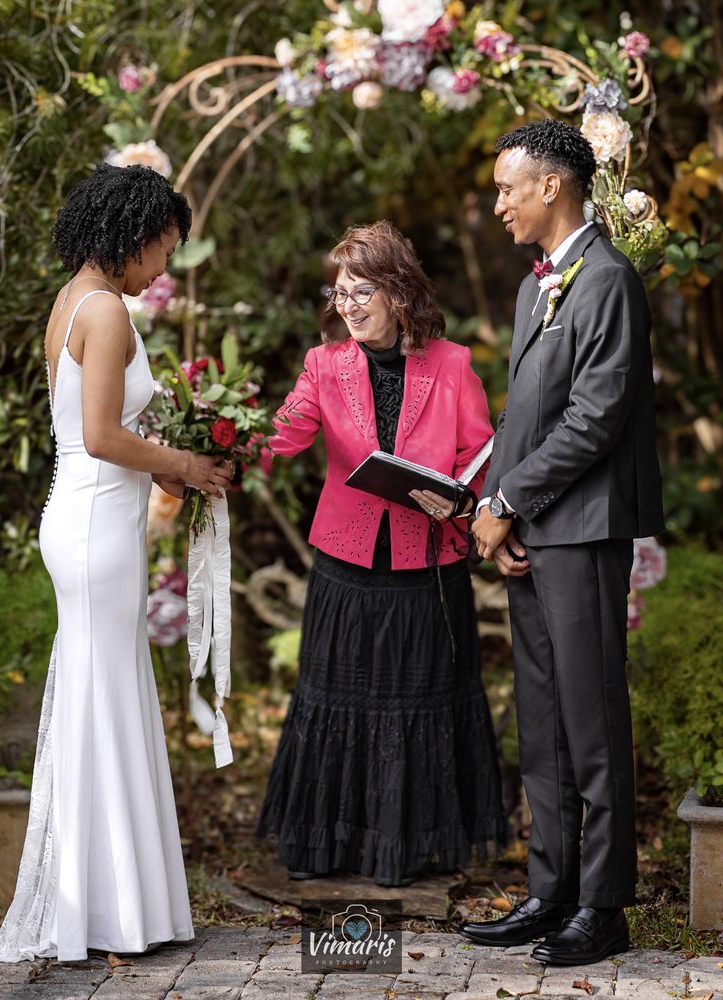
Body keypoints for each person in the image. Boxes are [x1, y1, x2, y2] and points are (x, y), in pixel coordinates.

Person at [0, 163, 233, 963]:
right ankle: (104, 911)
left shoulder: (74, 299)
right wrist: (185, 464)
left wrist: (162, 461)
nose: (162, 268)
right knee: (103, 702)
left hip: (87, 517)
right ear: (132, 235)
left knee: (105, 698)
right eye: (162, 249)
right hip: (94, 523)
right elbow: (99, 435)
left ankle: (113, 904)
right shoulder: (106, 312)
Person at [461, 119, 664, 964]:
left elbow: (594, 418)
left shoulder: (608, 279)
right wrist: (499, 510)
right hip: (536, 531)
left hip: (583, 532)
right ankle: (551, 892)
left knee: (591, 720)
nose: (498, 204)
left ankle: (603, 906)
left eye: (506, 188)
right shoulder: (532, 288)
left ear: (551, 186)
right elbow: (526, 418)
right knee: (541, 723)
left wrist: (509, 500)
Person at [257, 220, 506, 887]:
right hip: (345, 566)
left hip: (429, 566)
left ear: (398, 292)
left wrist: (459, 500)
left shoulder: (452, 364)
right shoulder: (323, 365)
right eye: (339, 292)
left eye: (361, 290)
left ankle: (413, 846)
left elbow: (480, 458)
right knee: (337, 699)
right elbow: (278, 440)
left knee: (421, 701)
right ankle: (333, 845)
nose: (347, 304)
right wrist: (214, 445)